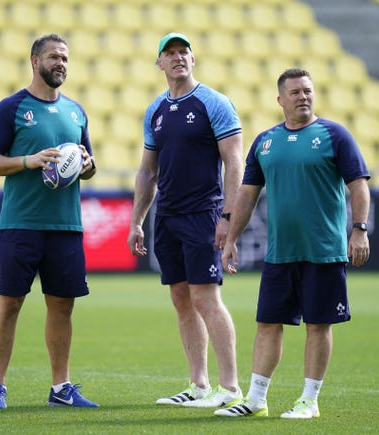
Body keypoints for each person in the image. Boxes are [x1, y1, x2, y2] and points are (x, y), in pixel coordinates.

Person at [214, 68, 371, 419]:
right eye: (296, 92)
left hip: (323, 251)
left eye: (308, 90)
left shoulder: (334, 135)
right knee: (268, 323)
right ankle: (255, 400)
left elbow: (358, 185)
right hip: (279, 253)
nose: (303, 96)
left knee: (318, 324)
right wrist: (231, 239)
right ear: (280, 99)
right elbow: (247, 196)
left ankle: (309, 400)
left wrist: (359, 229)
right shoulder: (266, 141)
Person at [0, 33, 98, 410]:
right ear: (35, 61)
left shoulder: (76, 112)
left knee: (62, 305)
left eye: (65, 57)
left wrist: (89, 165)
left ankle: (61, 388)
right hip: (21, 223)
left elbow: (87, 166)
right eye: (53, 57)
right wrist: (28, 161)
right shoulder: (11, 108)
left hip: (65, 225)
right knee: (10, 302)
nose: (60, 63)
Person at [127, 32, 245, 408]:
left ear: (193, 60)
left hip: (203, 213)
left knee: (206, 298)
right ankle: (198, 385)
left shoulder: (215, 103)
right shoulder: (155, 111)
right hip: (169, 215)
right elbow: (148, 172)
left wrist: (228, 217)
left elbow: (234, 163)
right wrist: (137, 221)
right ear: (158, 63)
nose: (178, 57)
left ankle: (229, 389)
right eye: (170, 53)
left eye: (184, 52)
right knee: (181, 299)